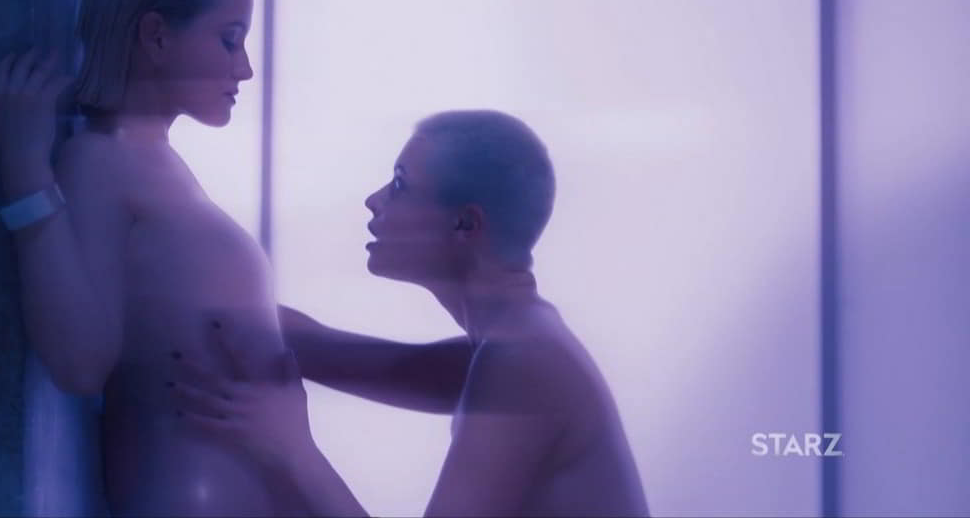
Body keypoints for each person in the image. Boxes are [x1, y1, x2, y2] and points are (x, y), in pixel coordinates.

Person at [172, 110, 650, 517]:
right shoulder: (511, 344)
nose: (374, 200)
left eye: (400, 184)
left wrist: (292, 449)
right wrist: (179, 278)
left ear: (465, 224)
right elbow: (328, 351)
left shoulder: (524, 360)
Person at [0, 0, 295, 516]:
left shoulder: (161, 165)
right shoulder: (100, 160)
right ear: (155, 35)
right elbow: (80, 361)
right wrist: (24, 169)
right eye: (229, 39)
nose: (245, 69)